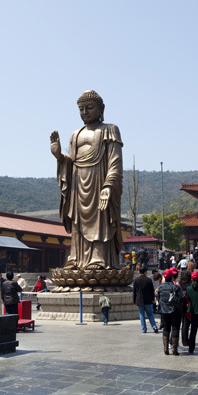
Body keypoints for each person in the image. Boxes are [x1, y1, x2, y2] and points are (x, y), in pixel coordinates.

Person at [50, 90, 123, 272]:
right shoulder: (75, 134)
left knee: (100, 219)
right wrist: (59, 155)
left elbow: (115, 162)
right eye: (81, 109)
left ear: (101, 108)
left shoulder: (110, 129)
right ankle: (76, 258)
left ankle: (98, 259)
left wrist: (108, 186)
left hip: (99, 181)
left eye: (89, 108)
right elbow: (71, 162)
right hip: (77, 183)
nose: (84, 112)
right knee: (78, 222)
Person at [156, 268, 185, 355]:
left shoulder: (160, 287)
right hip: (175, 311)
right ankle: (174, 350)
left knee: (166, 329)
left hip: (164, 311)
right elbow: (182, 297)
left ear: (164, 277)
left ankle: (166, 348)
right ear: (172, 277)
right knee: (175, 329)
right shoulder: (175, 287)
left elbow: (158, 298)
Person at [133, 267, 158, 333]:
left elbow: (134, 291)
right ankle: (154, 326)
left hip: (139, 300)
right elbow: (151, 290)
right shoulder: (148, 280)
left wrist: (134, 300)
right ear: (145, 272)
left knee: (142, 315)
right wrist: (153, 299)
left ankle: (144, 329)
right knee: (150, 314)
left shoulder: (136, 280)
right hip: (148, 300)